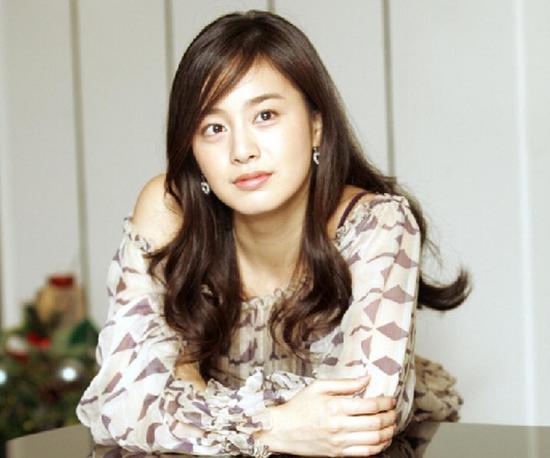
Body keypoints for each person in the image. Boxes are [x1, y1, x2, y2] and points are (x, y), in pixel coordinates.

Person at [76, 9, 471, 457]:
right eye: (214, 128)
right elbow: (122, 405)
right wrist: (271, 427)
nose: (242, 150)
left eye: (265, 115)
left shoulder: (376, 224)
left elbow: (362, 416)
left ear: (316, 125)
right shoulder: (169, 211)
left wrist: (188, 393)